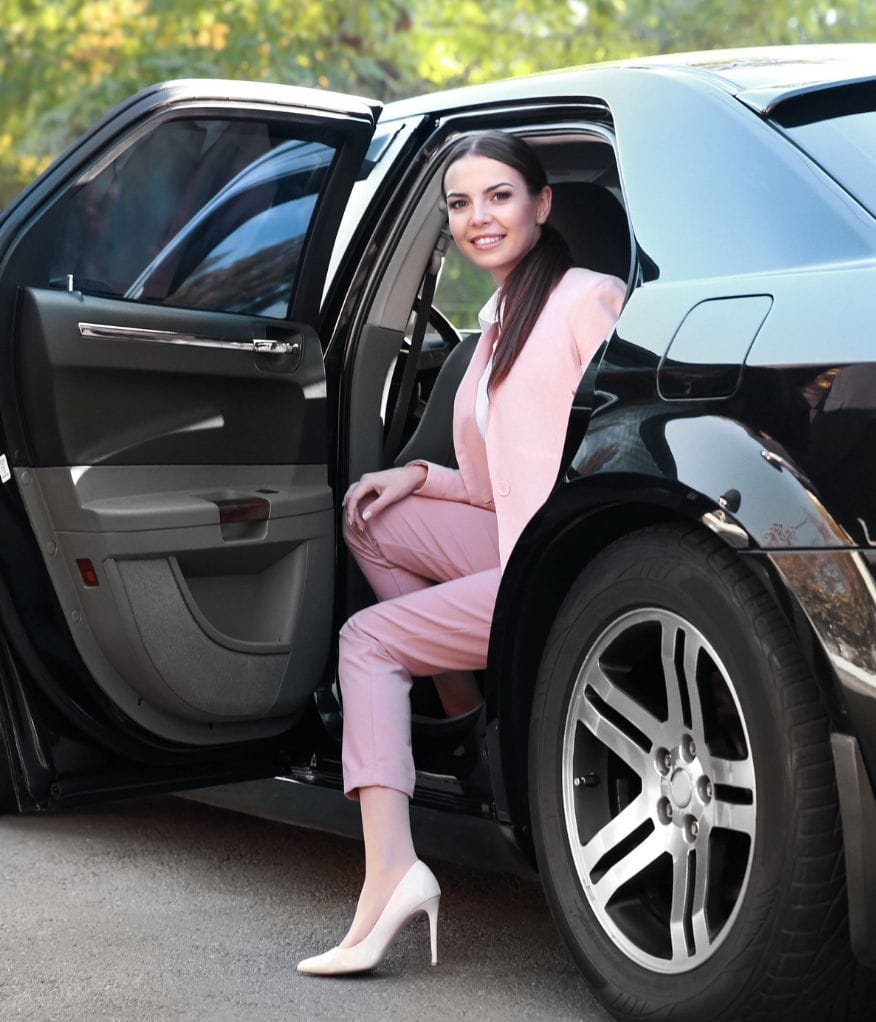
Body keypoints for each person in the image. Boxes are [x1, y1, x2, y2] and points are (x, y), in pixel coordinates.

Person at [297, 130, 627, 976]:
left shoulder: (590, 298)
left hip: (551, 571)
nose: (478, 217)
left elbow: (624, 437)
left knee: (365, 644)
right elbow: (489, 486)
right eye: (460, 202)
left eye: (500, 196)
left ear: (542, 205)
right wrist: (411, 474)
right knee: (367, 517)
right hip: (512, 534)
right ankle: (476, 719)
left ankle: (390, 874)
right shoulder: (493, 327)